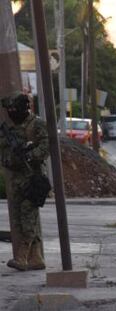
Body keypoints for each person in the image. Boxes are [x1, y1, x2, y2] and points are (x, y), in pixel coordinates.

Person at [0, 93, 50, 271]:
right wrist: (9, 158)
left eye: (15, 109)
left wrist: (29, 155)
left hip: (33, 179)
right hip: (15, 179)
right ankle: (36, 258)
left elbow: (47, 145)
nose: (12, 113)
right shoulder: (7, 128)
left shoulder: (36, 124)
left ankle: (22, 257)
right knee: (19, 219)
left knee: (28, 216)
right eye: (9, 110)